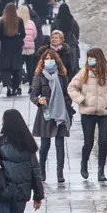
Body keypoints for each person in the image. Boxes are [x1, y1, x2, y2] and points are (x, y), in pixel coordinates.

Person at [68, 47, 107, 184]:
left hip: (104, 113)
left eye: (92, 57)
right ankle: (84, 163)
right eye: (88, 57)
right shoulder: (83, 74)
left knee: (103, 141)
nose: (90, 60)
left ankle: (101, 170)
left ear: (99, 59)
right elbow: (72, 88)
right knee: (89, 142)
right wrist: (82, 100)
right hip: (88, 113)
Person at [30, 44, 73, 185]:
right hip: (46, 112)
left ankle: (60, 173)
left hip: (59, 112)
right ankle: (41, 171)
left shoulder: (62, 75)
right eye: (46, 59)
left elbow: (67, 94)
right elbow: (33, 94)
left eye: (51, 59)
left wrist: (66, 106)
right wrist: (39, 100)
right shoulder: (39, 76)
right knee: (44, 145)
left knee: (60, 144)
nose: (48, 61)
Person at [0, 4, 27, 97]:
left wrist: (5, 40)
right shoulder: (19, 20)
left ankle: (8, 85)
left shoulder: (3, 21)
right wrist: (18, 39)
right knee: (16, 68)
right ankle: (15, 87)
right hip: (16, 47)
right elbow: (23, 34)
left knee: (6, 68)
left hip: (5, 47)